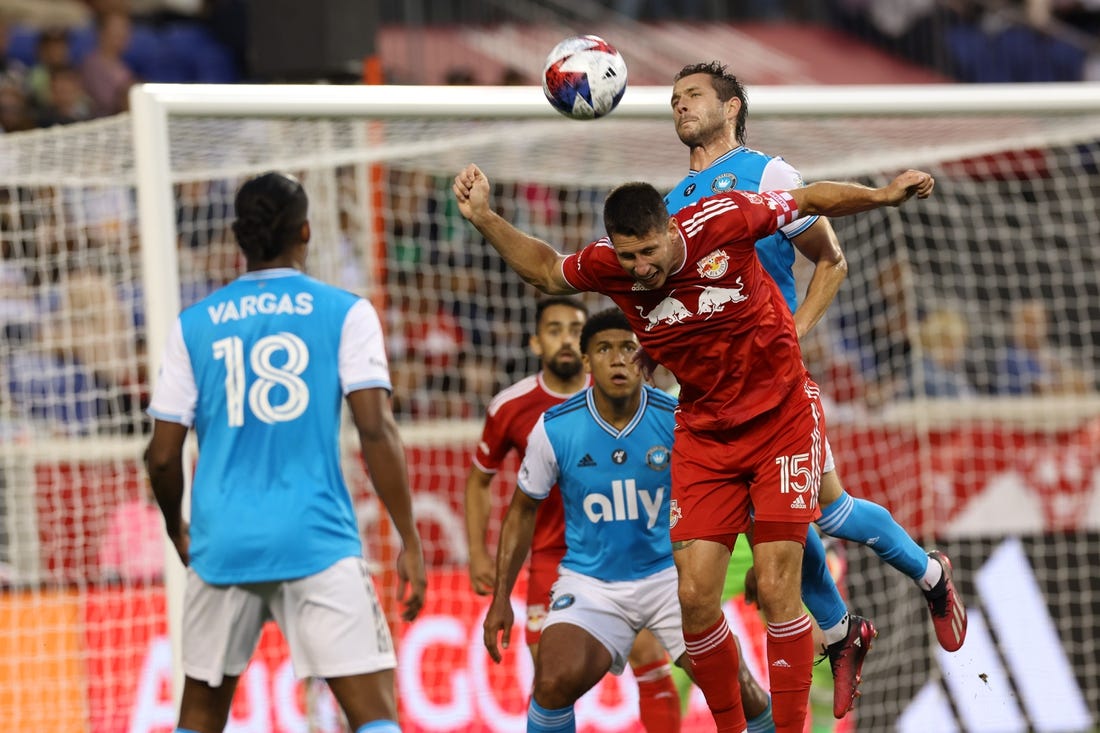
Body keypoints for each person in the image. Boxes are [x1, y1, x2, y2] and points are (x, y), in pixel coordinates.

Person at [453, 160, 934, 732]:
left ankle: (915, 587)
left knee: (797, 561)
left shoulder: (725, 218)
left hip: (779, 415)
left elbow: (809, 199)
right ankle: (833, 640)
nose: (640, 268)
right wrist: (484, 217)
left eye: (648, 251)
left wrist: (882, 196)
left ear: (670, 229)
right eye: (628, 257)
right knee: (697, 600)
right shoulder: (608, 271)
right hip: (707, 431)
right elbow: (546, 270)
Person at [665, 61, 969, 712]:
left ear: (732, 108)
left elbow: (831, 259)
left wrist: (796, 330)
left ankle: (920, 580)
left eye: (693, 95)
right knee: (789, 515)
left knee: (824, 514)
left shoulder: (766, 175)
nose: (680, 105)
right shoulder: (670, 204)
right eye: (674, 99)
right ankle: (846, 626)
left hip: (774, 389)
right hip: (716, 398)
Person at [144, 172, 426, 733]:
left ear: (238, 236)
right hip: (316, 538)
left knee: (199, 715)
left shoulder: (193, 325)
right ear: (306, 231)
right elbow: (376, 430)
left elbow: (162, 455)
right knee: (374, 714)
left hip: (223, 542)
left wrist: (178, 528)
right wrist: (408, 538)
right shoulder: (346, 312)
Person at [465, 296, 710, 732]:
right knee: (552, 680)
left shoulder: (626, 394)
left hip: (631, 555)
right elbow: (481, 481)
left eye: (573, 329)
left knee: (651, 658)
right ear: (536, 342)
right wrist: (479, 554)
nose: (564, 339)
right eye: (553, 329)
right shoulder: (512, 406)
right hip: (553, 556)